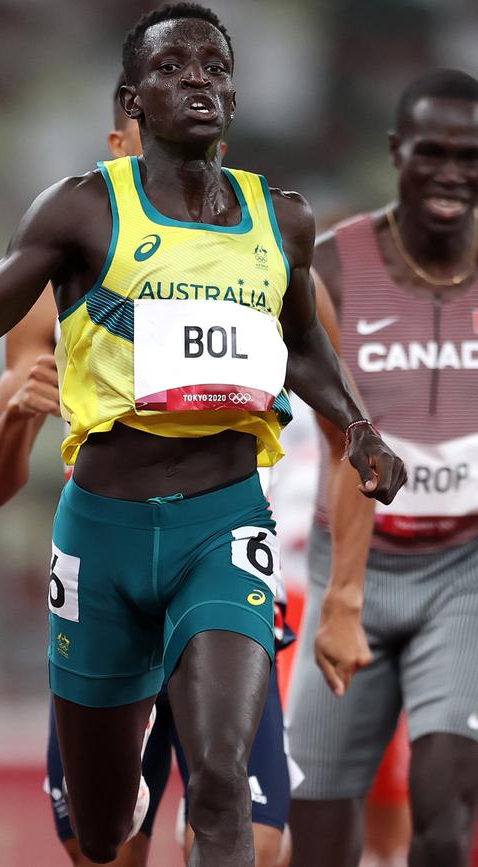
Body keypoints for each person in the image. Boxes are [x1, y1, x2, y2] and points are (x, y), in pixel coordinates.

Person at [0, 5, 405, 865]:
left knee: (223, 784)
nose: (199, 80)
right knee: (106, 834)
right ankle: (120, 792)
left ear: (235, 92)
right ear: (132, 100)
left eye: (215, 67)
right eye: (173, 67)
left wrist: (359, 426)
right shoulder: (80, 213)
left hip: (223, 525)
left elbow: (300, 345)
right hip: (104, 532)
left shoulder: (280, 221)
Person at [0, 77, 295, 867]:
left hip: (218, 557)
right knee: (105, 846)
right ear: (119, 150)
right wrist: (16, 415)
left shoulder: (256, 260)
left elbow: (320, 385)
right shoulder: (57, 285)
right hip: (114, 569)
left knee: (256, 838)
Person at [288, 68, 478, 867]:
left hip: (462, 569)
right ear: (397, 152)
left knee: (442, 809)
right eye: (431, 151)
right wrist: (339, 598)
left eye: (471, 156)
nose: (451, 172)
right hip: (352, 564)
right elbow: (323, 439)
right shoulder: (329, 269)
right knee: (320, 839)